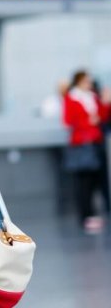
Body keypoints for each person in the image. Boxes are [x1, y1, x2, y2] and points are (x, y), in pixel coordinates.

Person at [62, 69, 111, 234]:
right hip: (82, 145)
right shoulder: (72, 97)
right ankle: (85, 216)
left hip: (95, 143)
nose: (89, 84)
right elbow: (69, 120)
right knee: (83, 182)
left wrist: (105, 103)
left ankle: (92, 214)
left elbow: (102, 117)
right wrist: (88, 121)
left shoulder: (92, 97)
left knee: (95, 181)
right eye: (86, 81)